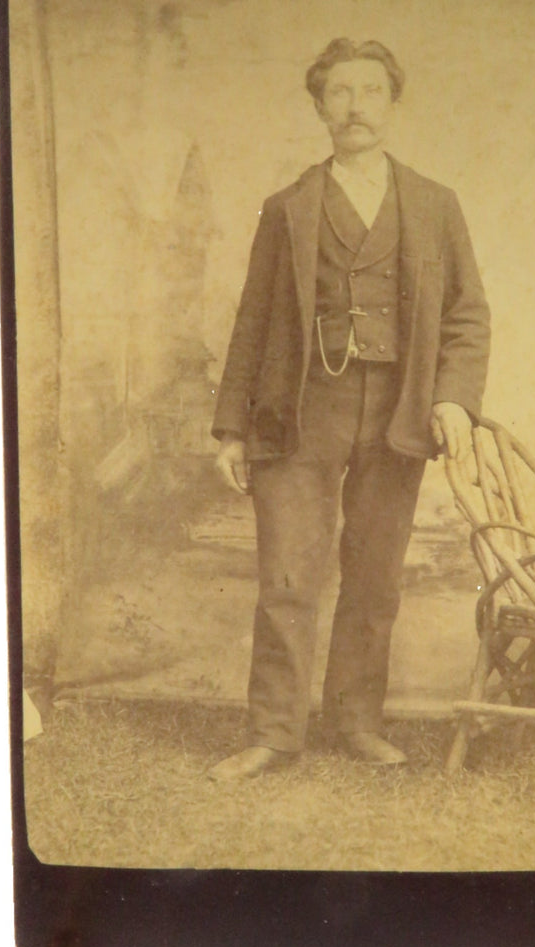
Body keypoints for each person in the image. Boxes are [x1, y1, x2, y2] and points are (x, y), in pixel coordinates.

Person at [208, 38, 490, 781]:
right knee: (288, 578)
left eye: (370, 91)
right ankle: (273, 732)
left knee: (375, 578)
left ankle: (357, 722)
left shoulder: (435, 205)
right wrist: (232, 426)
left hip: (397, 410)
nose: (356, 106)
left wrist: (453, 399)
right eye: (340, 92)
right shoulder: (288, 208)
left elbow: (467, 314)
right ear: (321, 107)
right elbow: (252, 319)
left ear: (391, 103)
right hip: (298, 411)